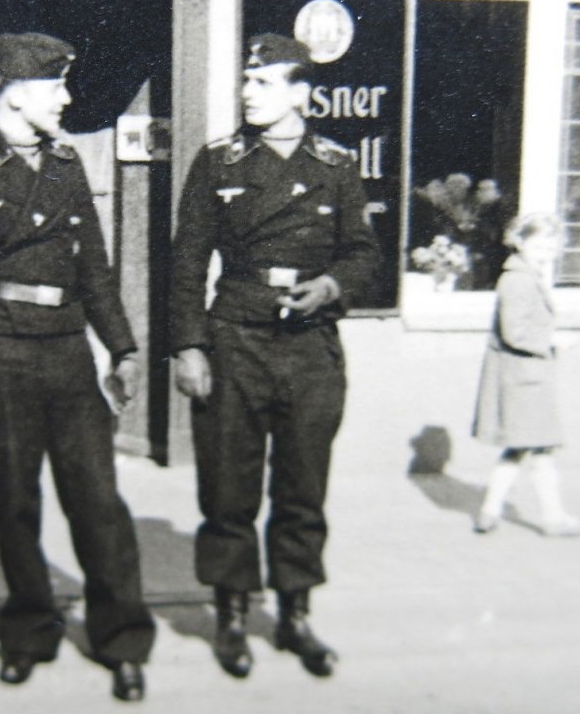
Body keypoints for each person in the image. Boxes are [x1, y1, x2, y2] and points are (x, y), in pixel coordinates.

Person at [0, 32, 155, 702]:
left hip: (68, 352)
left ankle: (122, 639)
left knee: (99, 502)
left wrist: (123, 348)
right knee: (16, 503)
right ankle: (28, 630)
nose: (67, 99)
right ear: (15, 93)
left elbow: (95, 269)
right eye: (56, 87)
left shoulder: (64, 163)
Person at [169, 34, 381, 679]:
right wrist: (188, 346)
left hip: (311, 344)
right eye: (246, 81)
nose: (247, 93)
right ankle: (231, 615)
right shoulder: (219, 162)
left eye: (262, 83)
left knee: (302, 488)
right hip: (236, 337)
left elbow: (363, 252)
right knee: (228, 488)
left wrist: (332, 286)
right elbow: (186, 263)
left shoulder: (336, 164)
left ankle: (295, 614)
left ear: (299, 93)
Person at [470, 212, 580, 537]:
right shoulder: (518, 280)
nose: (546, 251)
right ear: (519, 242)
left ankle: (489, 512)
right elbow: (515, 332)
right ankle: (553, 518)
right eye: (538, 244)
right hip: (524, 379)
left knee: (519, 447)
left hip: (523, 377)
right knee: (541, 448)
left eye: (551, 244)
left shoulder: (523, 275)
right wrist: (553, 340)